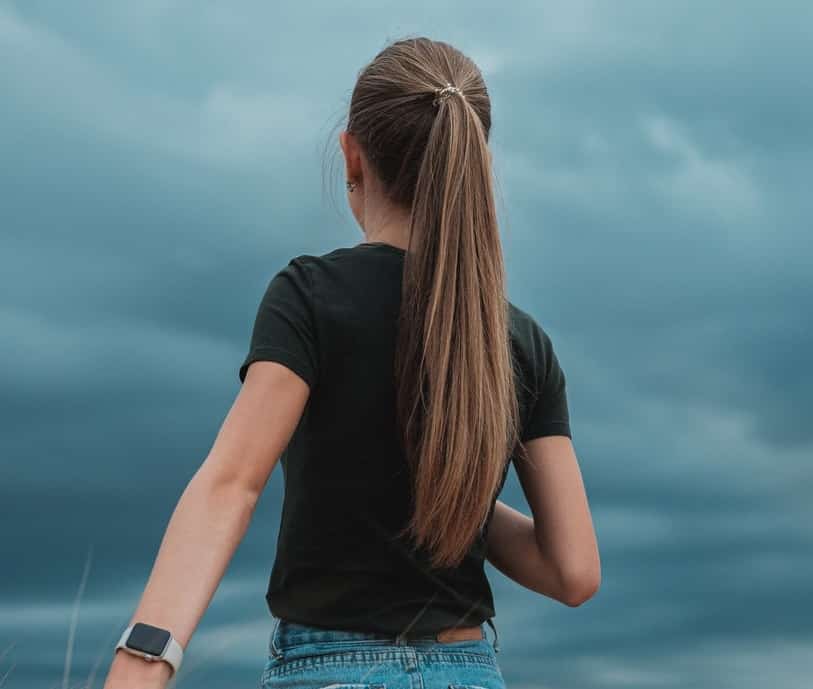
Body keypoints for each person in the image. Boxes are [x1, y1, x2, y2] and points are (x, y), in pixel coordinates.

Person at [102, 36, 600, 689]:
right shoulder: (519, 339)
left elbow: (232, 483)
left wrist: (141, 661)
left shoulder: (309, 296)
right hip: (468, 670)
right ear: (472, 161)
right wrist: (457, 493)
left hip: (332, 670)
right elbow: (573, 571)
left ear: (351, 154)